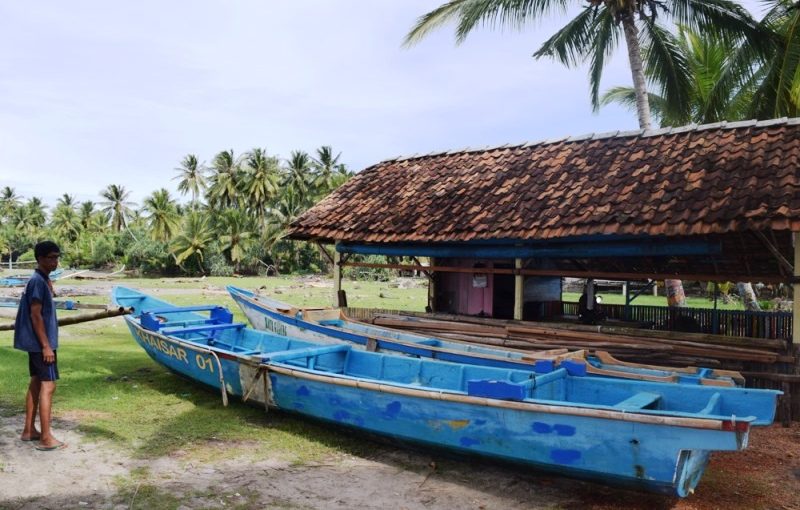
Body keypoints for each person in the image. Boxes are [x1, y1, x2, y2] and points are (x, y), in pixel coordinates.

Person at [14, 240, 66, 451]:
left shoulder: (40, 280)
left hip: (36, 343)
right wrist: (46, 346)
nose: (55, 261)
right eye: (51, 257)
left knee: (36, 382)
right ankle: (46, 438)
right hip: (41, 343)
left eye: (57, 257)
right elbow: (36, 316)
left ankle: (29, 430)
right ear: (40, 259)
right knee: (48, 385)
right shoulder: (37, 281)